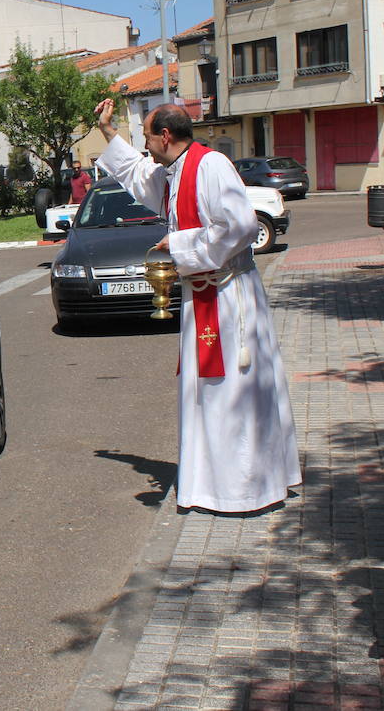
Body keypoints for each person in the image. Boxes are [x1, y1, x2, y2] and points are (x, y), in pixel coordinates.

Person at [95, 98, 300, 513]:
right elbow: (138, 176)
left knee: (231, 392)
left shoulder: (210, 166)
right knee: (206, 393)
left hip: (228, 299)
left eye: (148, 139)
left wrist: (180, 243)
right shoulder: (176, 171)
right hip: (203, 293)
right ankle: (212, 485)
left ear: (165, 136)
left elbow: (240, 226)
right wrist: (107, 131)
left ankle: (244, 488)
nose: (146, 148)